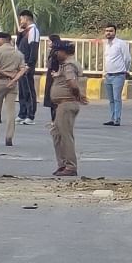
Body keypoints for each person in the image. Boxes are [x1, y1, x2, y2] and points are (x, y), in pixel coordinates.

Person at [49, 40, 86, 177]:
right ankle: (63, 164)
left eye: (57, 51)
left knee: (65, 136)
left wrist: (77, 95)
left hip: (66, 104)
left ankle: (70, 166)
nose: (55, 54)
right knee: (57, 134)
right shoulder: (67, 65)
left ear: (64, 52)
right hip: (63, 104)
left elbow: (72, 83)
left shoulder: (69, 65)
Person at [0, 32, 26, 146]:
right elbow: (23, 68)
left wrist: (6, 73)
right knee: (11, 111)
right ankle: (9, 137)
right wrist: (13, 77)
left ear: (4, 40)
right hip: (13, 84)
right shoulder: (18, 53)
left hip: (0, 81)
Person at [102, 23, 131, 126]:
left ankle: (117, 119)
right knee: (111, 99)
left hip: (118, 75)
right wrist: (104, 73)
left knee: (116, 98)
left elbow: (127, 58)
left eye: (111, 31)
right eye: (107, 31)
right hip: (108, 75)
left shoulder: (120, 43)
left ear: (115, 32)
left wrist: (126, 70)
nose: (108, 33)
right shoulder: (106, 44)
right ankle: (112, 117)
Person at [16, 10, 40, 125]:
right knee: (22, 90)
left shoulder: (33, 31)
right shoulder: (25, 32)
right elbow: (18, 45)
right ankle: (22, 113)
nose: (20, 22)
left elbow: (34, 48)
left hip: (27, 66)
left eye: (21, 19)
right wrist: (19, 34)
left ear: (26, 18)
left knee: (29, 90)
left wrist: (30, 64)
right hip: (21, 65)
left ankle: (30, 115)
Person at [41, 34, 63, 123]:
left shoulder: (59, 53)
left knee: (55, 98)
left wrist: (58, 73)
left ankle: (57, 119)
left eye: (49, 41)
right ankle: (53, 119)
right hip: (50, 76)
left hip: (56, 77)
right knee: (51, 98)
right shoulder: (52, 51)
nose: (48, 43)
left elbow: (61, 65)